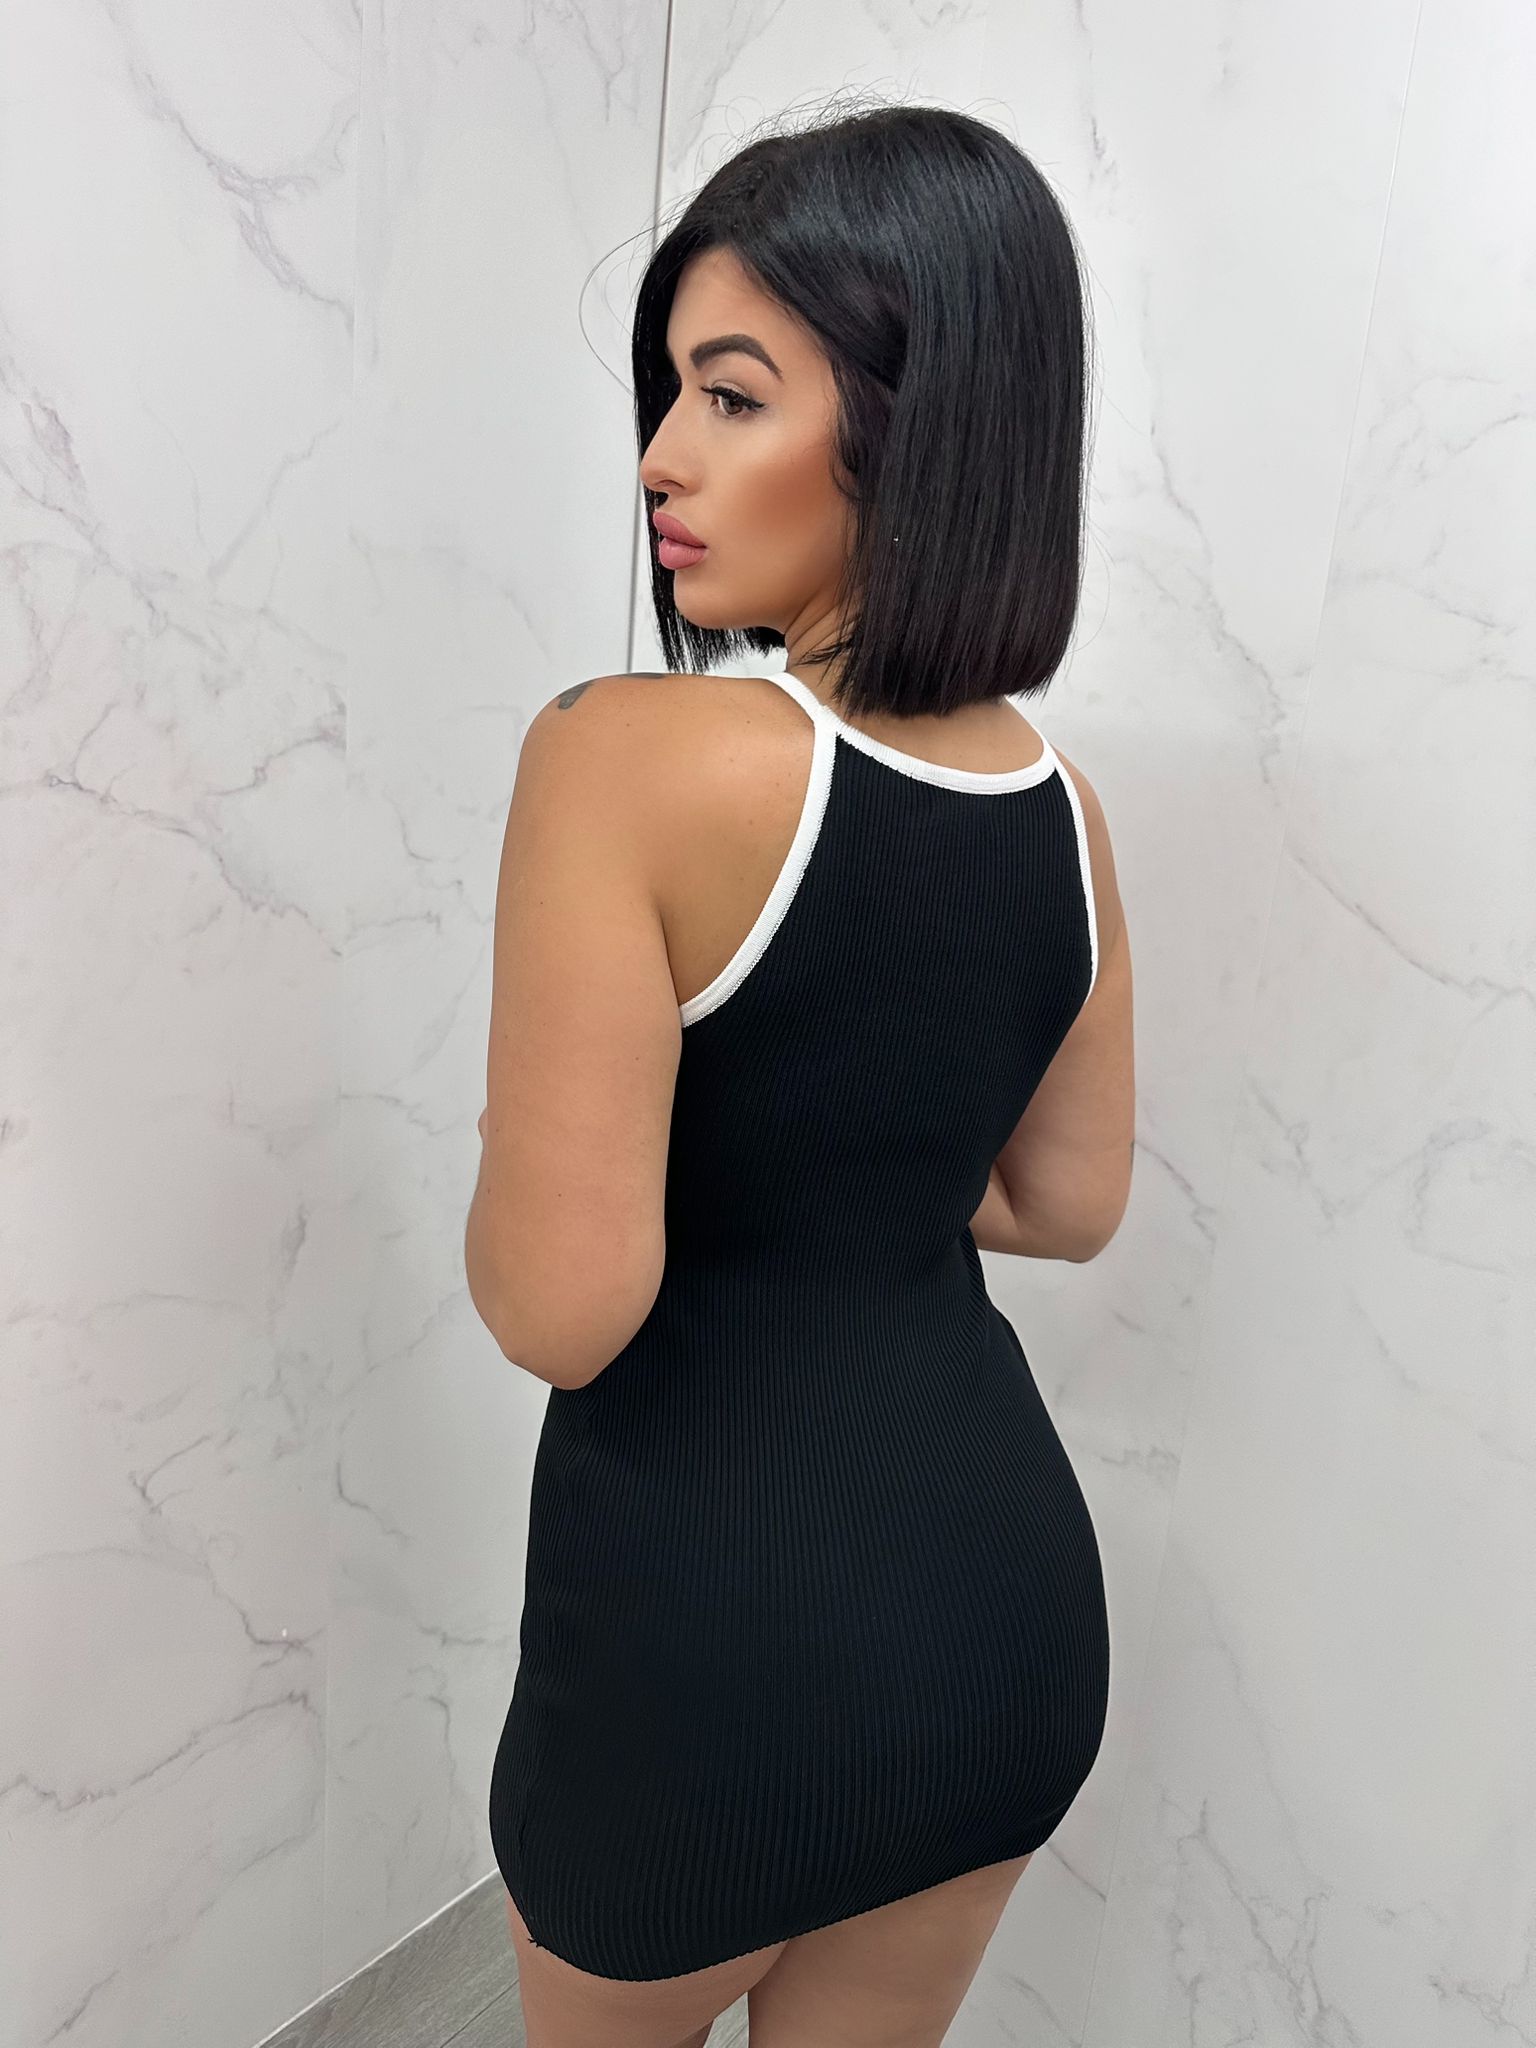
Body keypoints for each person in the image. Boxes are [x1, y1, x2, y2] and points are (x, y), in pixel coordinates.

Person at [465, 98, 1135, 2048]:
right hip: (998, 1627)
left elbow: (562, 1308)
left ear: (921, 429)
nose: (660, 457)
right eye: (671, 391)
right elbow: (1065, 1201)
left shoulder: (620, 754)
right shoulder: (1058, 803)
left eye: (734, 394)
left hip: (702, 1656)